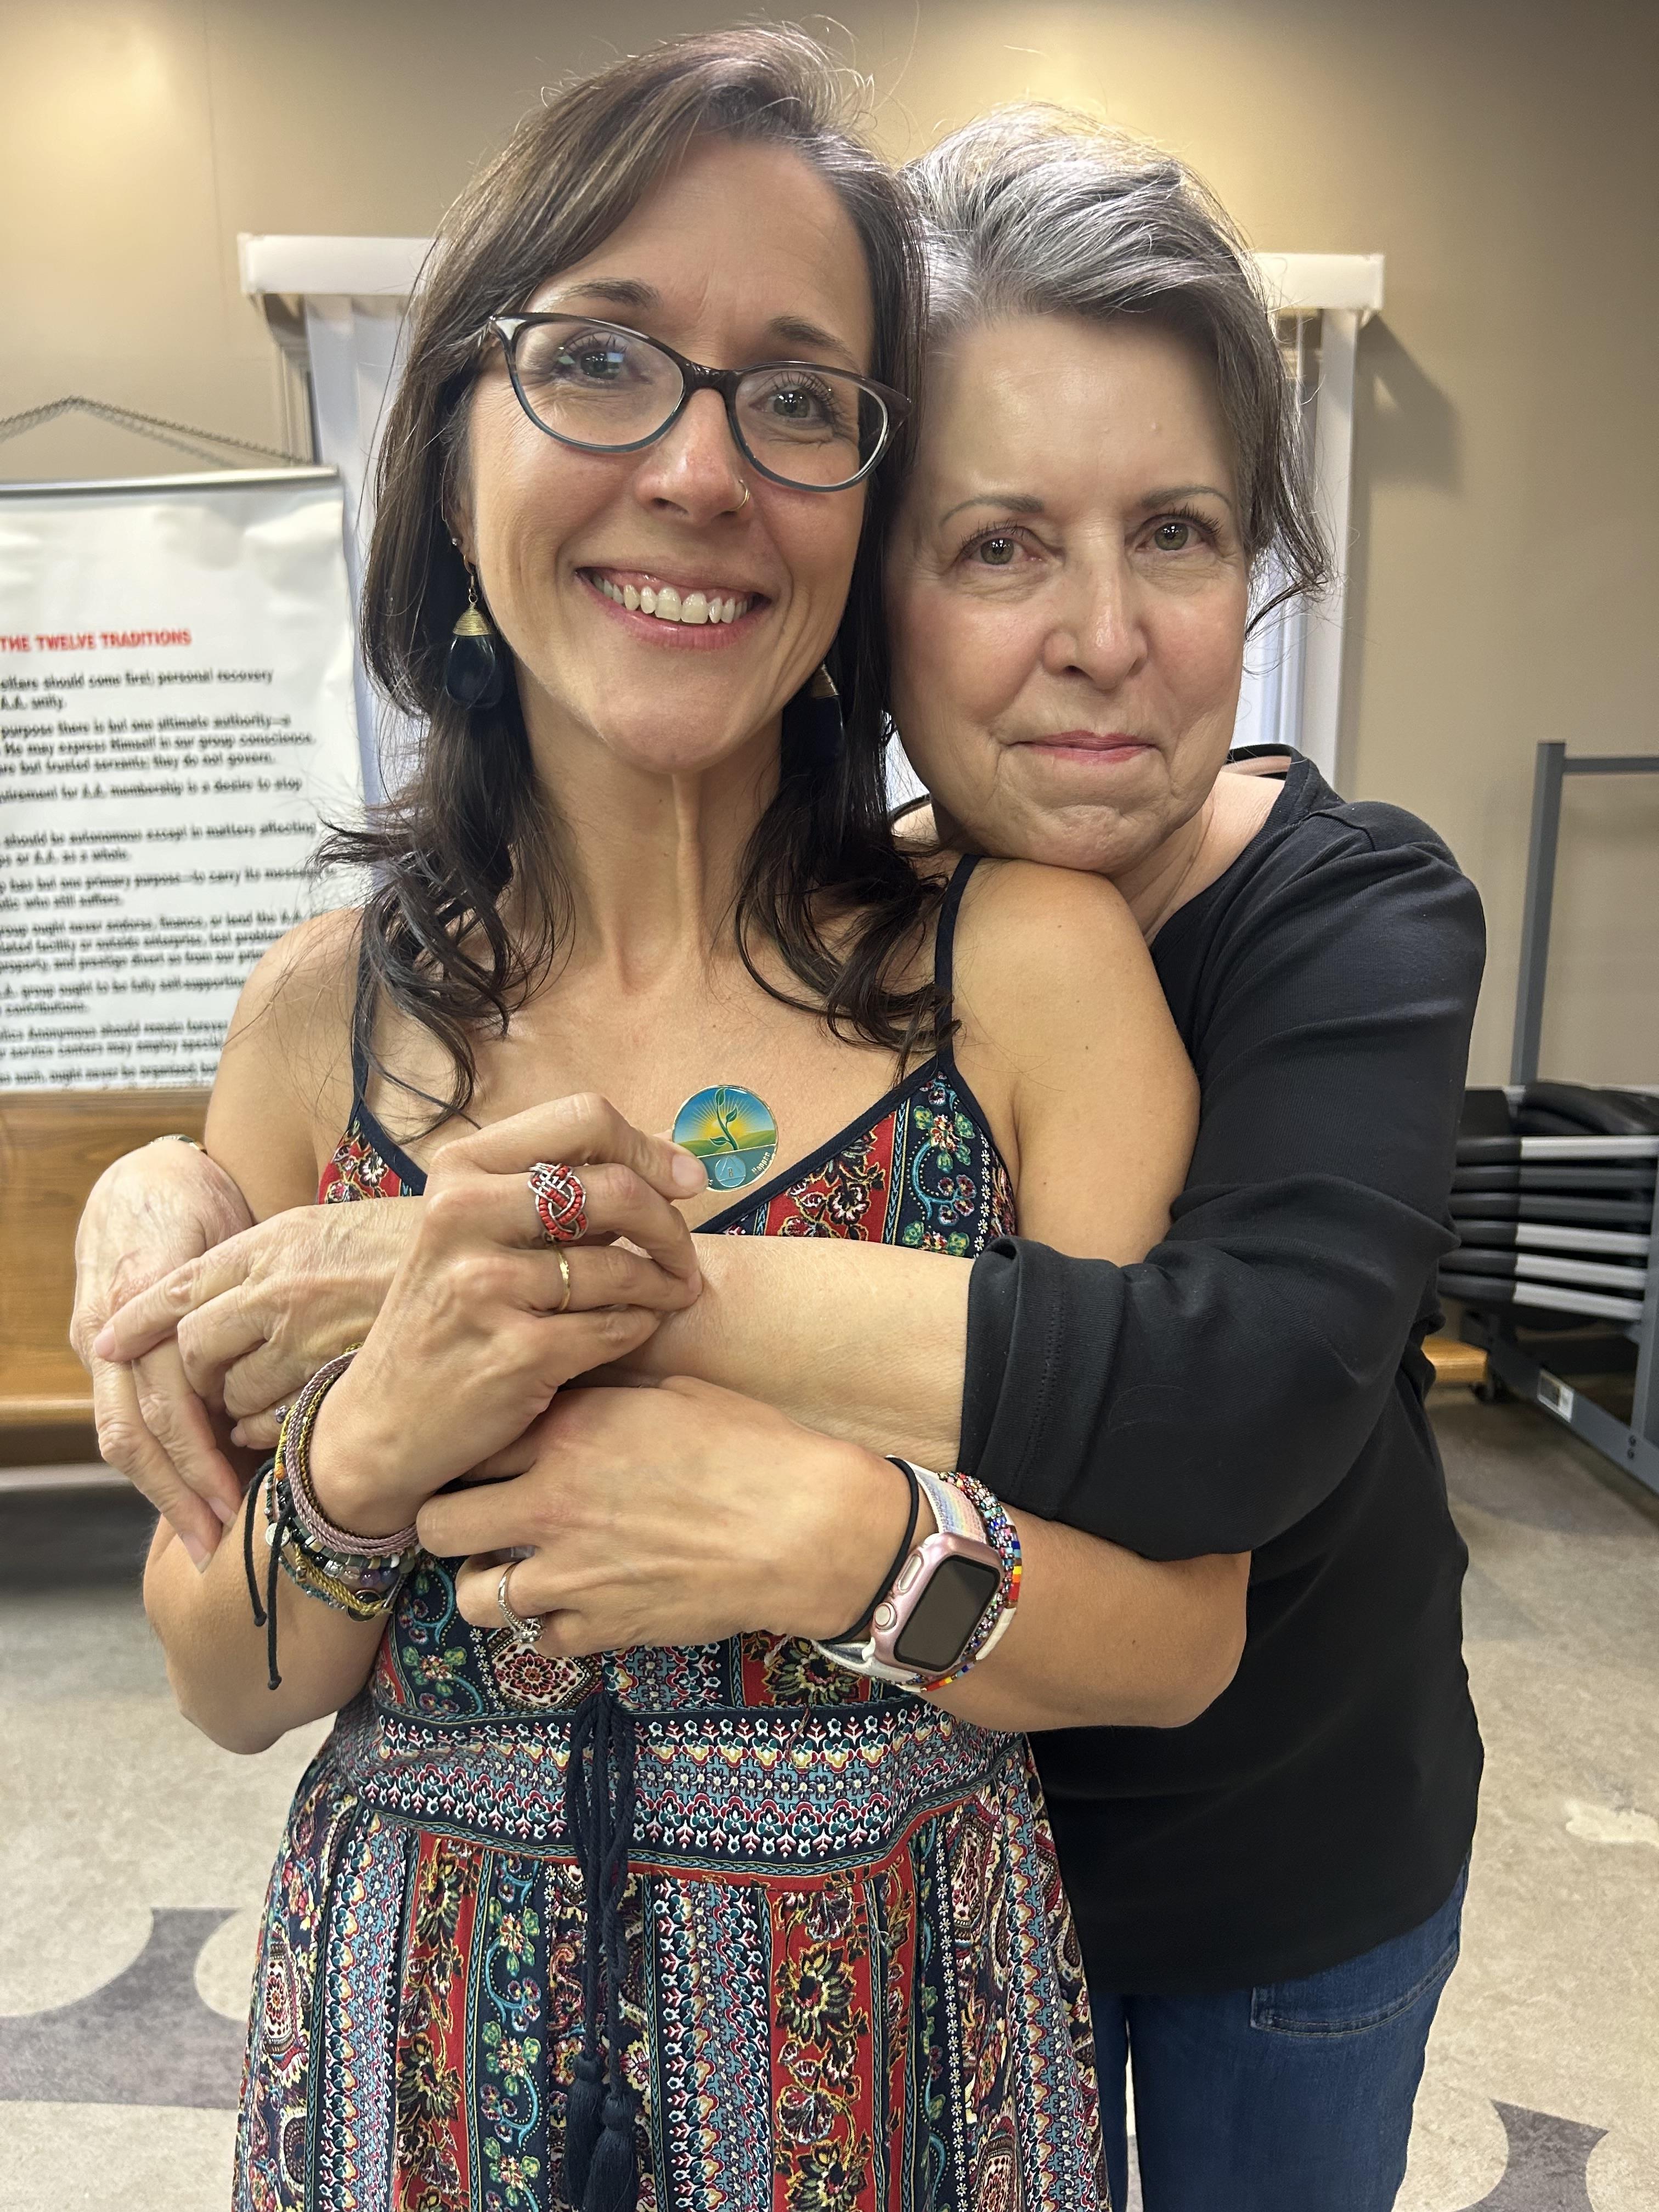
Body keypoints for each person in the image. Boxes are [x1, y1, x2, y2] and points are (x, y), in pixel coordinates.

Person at [79, 102, 1483, 2212]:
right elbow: (229, 1675)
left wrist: (802, 1504)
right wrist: (358, 1449)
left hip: (955, 2014)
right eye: (598, 360)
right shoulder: (321, 1019)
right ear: (449, 455)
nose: (699, 471)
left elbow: (1198, 1553)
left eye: (799, 401)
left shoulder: (1037, 965)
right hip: (414, 2045)